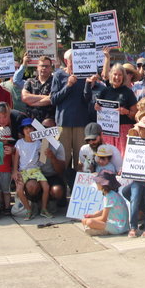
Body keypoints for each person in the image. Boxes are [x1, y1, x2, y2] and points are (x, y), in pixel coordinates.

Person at [50, 48, 94, 186]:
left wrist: (88, 84)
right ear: (66, 61)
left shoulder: (85, 75)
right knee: (63, 158)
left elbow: (87, 99)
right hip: (63, 124)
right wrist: (68, 85)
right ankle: (62, 187)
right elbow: (53, 99)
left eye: (78, 60)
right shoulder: (58, 75)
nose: (76, 62)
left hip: (81, 123)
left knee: (82, 159)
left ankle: (83, 187)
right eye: (73, 60)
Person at [0, 103, 27, 214]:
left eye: (5, 117)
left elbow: (28, 141)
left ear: (9, 113)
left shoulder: (18, 118)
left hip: (21, 153)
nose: (2, 120)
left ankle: (23, 201)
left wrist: (14, 149)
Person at [93, 61, 138, 153]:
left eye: (120, 75)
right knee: (107, 156)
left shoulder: (128, 92)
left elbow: (136, 115)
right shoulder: (105, 91)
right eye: (115, 74)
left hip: (123, 131)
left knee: (122, 156)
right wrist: (96, 107)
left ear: (123, 77)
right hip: (107, 130)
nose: (117, 77)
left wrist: (126, 112)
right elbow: (99, 109)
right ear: (111, 76)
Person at [13, 118, 53, 220]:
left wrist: (46, 144)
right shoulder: (20, 142)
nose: (29, 130)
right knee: (19, 190)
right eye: (26, 128)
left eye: (31, 128)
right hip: (23, 171)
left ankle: (44, 209)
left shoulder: (38, 143)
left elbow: (43, 157)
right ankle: (28, 209)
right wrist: (15, 170)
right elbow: (16, 157)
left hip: (36, 170)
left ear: (35, 130)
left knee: (46, 187)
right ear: (22, 130)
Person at [82, 171, 129, 236]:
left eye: (97, 182)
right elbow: (106, 210)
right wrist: (93, 215)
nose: (96, 184)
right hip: (122, 226)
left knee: (89, 222)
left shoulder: (109, 196)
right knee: (94, 215)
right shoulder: (113, 194)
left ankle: (103, 231)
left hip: (118, 227)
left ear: (103, 184)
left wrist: (90, 219)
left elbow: (103, 218)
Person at [21, 55, 56, 126]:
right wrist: (46, 97)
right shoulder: (30, 81)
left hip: (49, 122)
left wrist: (32, 102)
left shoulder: (55, 82)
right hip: (31, 122)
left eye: (47, 66)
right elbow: (25, 97)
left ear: (50, 68)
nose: (44, 68)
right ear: (37, 67)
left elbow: (52, 99)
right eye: (42, 66)